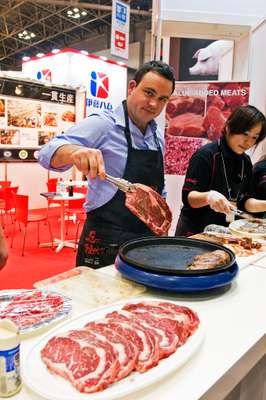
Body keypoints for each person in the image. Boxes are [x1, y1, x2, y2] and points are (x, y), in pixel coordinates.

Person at [38, 60, 175, 268]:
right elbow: (47, 152)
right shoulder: (104, 124)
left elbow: (158, 189)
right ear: (132, 87)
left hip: (145, 241)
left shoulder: (157, 135)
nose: (154, 104)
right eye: (149, 93)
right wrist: (75, 152)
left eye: (162, 99)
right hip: (105, 240)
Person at [175, 105, 266, 237]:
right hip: (195, 232)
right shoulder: (206, 155)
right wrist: (209, 197)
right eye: (245, 133)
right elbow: (189, 198)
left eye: (254, 137)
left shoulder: (245, 162)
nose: (248, 142)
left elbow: (245, 202)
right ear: (229, 127)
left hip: (223, 232)